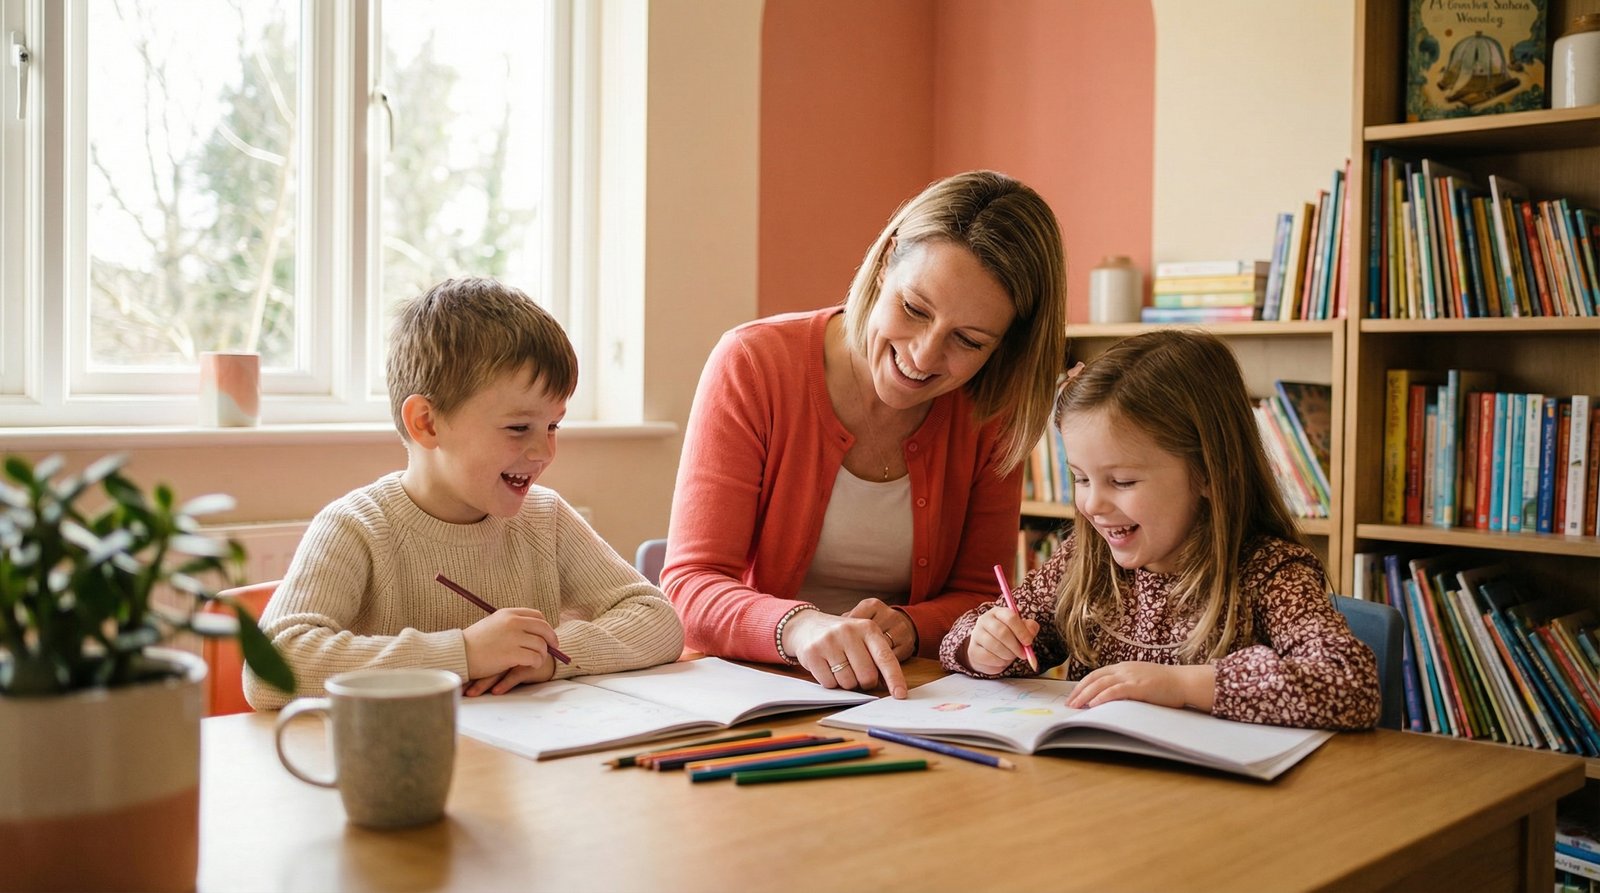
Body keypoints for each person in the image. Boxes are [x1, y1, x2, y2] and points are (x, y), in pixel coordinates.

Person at [663, 170, 1068, 699]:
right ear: (884, 264)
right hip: (754, 694)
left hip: (907, 700)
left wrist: (910, 625)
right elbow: (689, 588)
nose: (923, 356)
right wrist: (800, 628)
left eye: (968, 341)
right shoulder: (754, 364)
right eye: (914, 309)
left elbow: (979, 594)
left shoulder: (992, 409)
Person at [244, 277, 683, 710]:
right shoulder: (357, 527)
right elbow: (271, 667)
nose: (544, 451)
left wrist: (548, 656)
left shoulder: (546, 519)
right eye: (518, 428)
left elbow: (658, 620)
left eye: (553, 426)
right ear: (427, 423)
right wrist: (463, 653)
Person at [940, 329, 1379, 730]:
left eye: (1123, 481)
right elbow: (970, 637)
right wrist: (984, 646)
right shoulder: (1083, 559)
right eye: (1081, 478)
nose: (1092, 504)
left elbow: (1348, 683)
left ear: (1209, 472)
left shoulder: (1269, 572)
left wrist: (1182, 685)